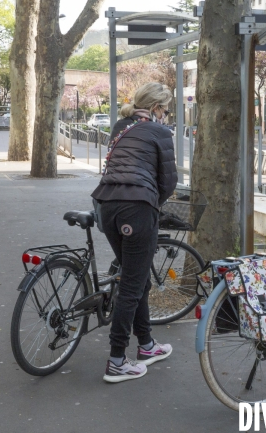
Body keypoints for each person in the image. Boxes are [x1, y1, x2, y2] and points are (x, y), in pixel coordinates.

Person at [91, 82, 178, 383]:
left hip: (107, 205)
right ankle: (117, 360)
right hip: (136, 208)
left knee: (135, 277)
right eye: (166, 110)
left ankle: (147, 345)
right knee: (131, 285)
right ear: (156, 108)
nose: (167, 115)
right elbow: (168, 181)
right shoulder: (159, 132)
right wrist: (154, 202)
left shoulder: (120, 125)